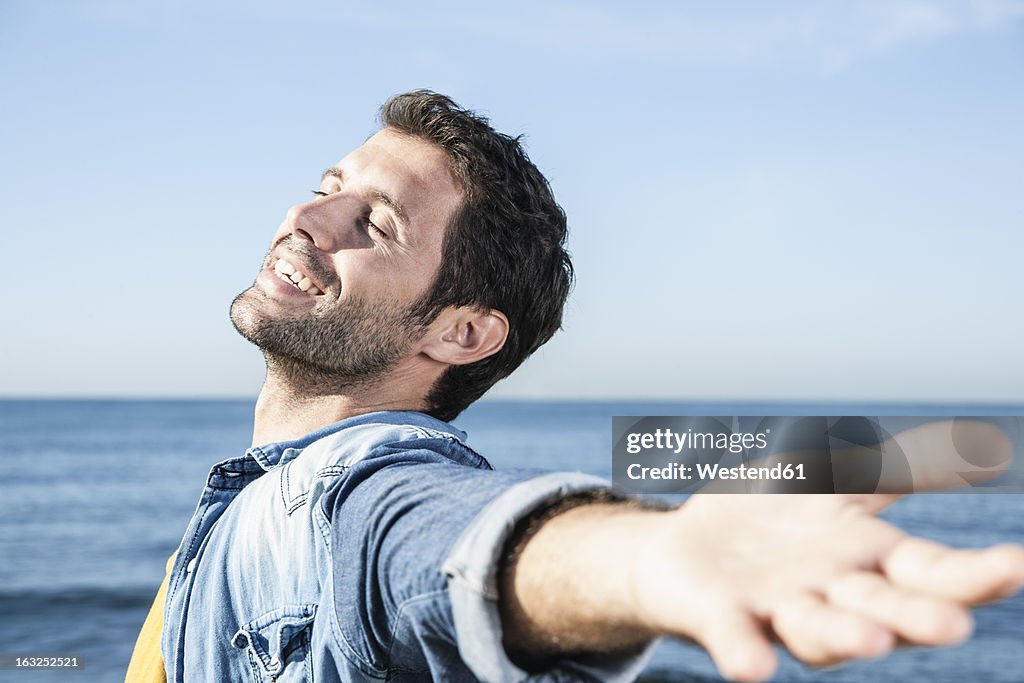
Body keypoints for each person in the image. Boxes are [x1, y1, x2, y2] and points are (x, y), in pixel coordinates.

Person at [126, 90, 1024, 683]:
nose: (308, 218)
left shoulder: (346, 488)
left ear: (462, 331)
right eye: (329, 188)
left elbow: (421, 535)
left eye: (378, 223)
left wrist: (643, 560)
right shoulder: (244, 497)